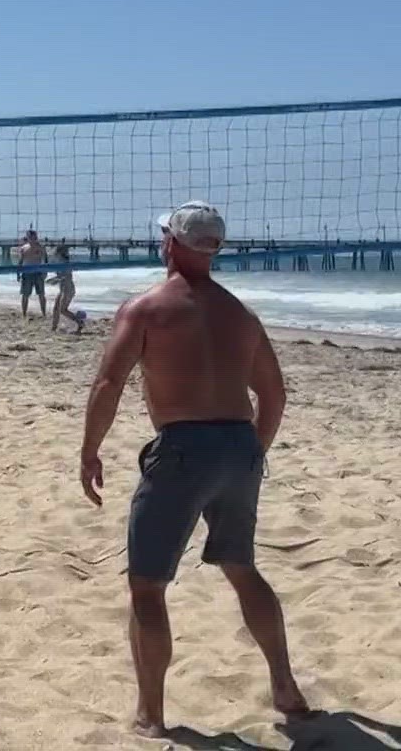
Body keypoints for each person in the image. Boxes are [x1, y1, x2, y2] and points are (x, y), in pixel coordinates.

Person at [77, 201, 309, 739]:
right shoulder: (240, 314)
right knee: (242, 567)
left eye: (163, 236)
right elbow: (273, 394)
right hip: (238, 445)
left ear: (172, 245)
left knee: (147, 586)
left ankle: (150, 715)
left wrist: (90, 451)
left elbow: (108, 384)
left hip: (183, 449)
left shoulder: (146, 308)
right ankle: (285, 688)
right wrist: (254, 452)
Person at [48, 244, 84, 333]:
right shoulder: (60, 262)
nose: (53, 254)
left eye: (55, 252)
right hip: (63, 288)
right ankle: (53, 328)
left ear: (59, 253)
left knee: (63, 310)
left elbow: (66, 276)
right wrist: (55, 279)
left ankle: (80, 322)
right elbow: (62, 276)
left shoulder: (64, 262)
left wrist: (55, 280)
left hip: (68, 288)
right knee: (56, 308)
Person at [16, 229, 48, 317]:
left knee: (41, 294)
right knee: (25, 294)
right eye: (31, 237)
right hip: (27, 273)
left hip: (38, 273)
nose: (33, 238)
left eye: (34, 237)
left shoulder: (41, 247)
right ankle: (24, 314)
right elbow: (20, 262)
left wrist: (45, 272)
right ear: (28, 237)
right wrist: (18, 273)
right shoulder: (24, 248)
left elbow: (45, 261)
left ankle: (44, 313)